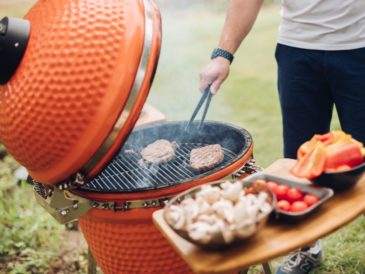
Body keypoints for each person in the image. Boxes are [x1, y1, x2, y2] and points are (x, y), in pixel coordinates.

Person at [199, 0, 365, 273]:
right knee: (298, 163)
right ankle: (308, 248)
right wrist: (222, 55)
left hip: (359, 47)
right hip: (297, 52)